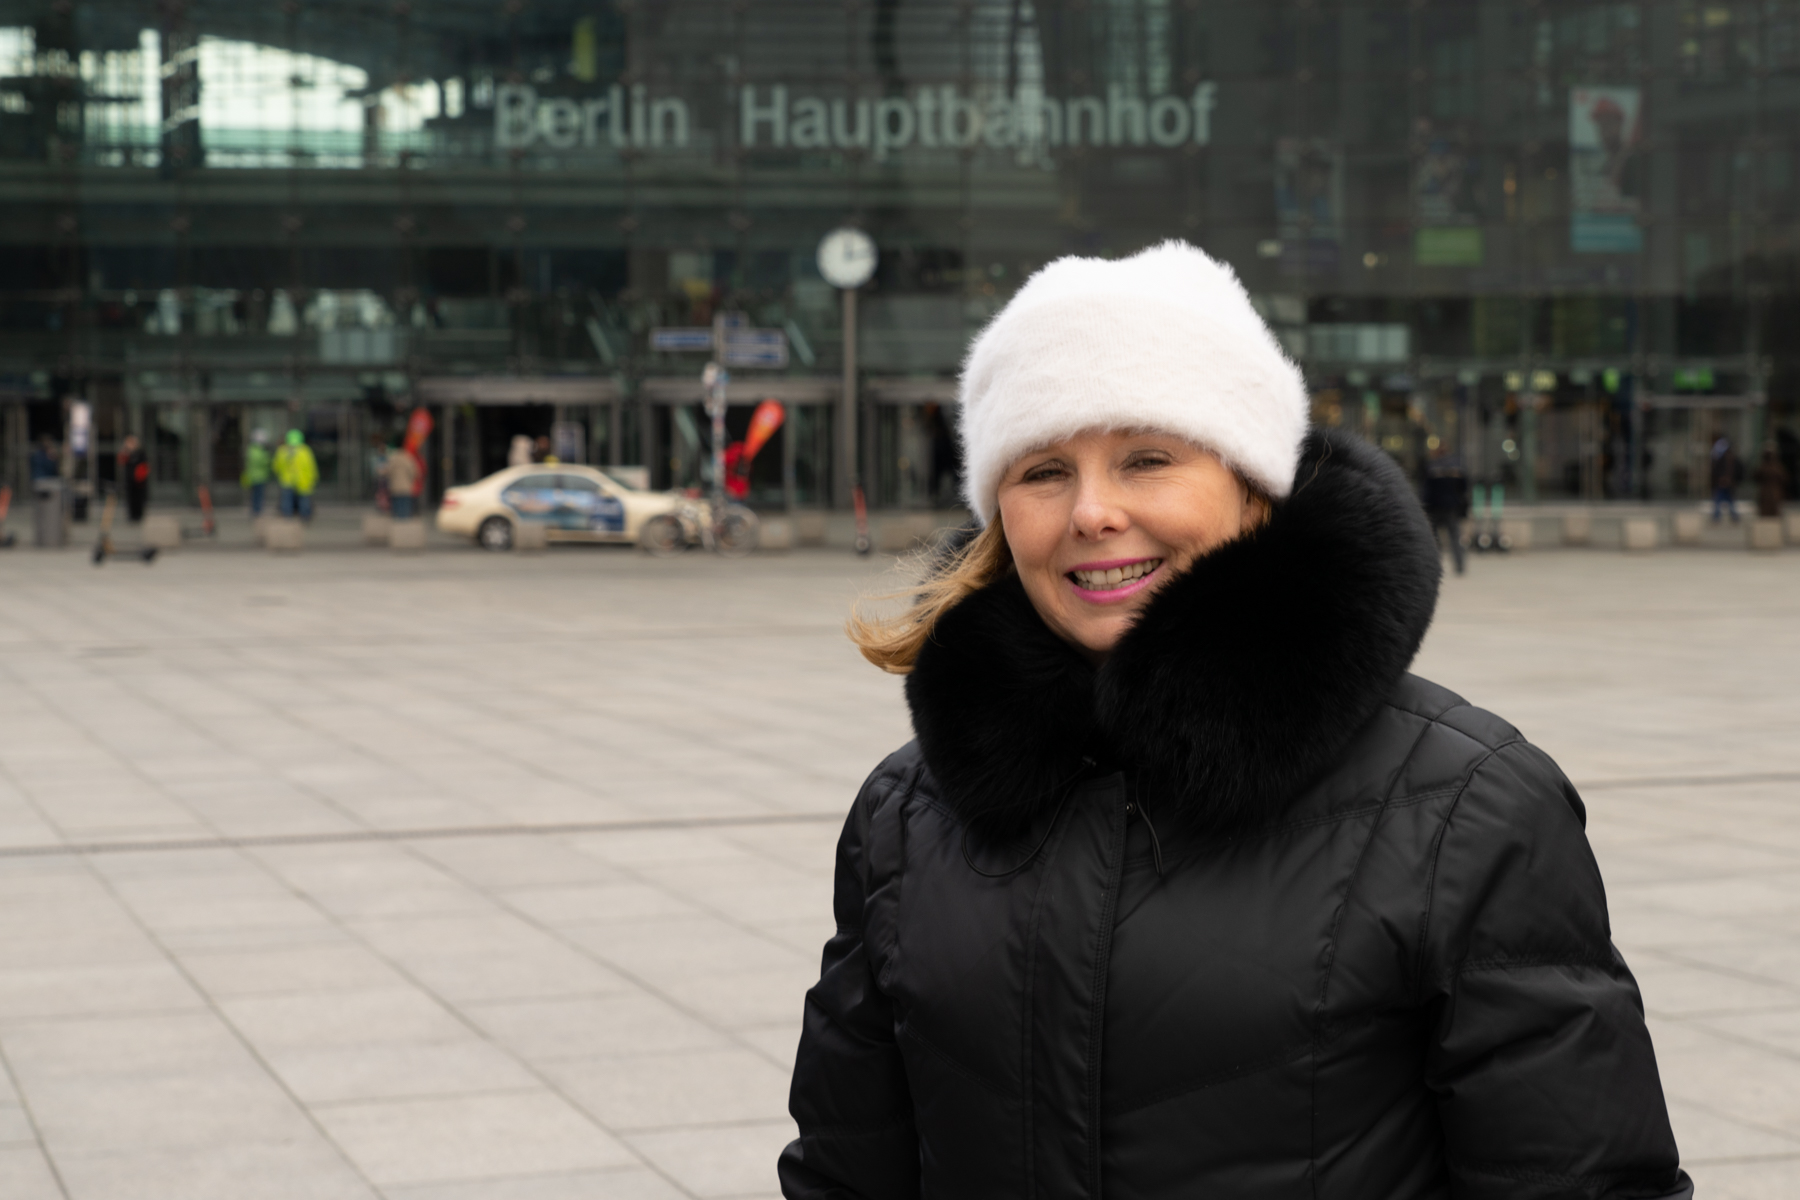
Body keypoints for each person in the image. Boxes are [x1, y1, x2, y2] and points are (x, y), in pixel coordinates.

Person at [784, 242, 1690, 1198]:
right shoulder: (908, 816)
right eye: (1043, 470)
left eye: (1147, 459)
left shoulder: (1467, 811)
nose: (1092, 512)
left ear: (1253, 486)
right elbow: (845, 1175)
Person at [1422, 442, 1469, 575]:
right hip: (1452, 507)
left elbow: (1426, 490)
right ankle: (1459, 565)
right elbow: (1464, 487)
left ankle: (1434, 566)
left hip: (1435, 507)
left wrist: (1425, 506)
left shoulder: (1432, 466)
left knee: (1434, 539)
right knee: (1454, 537)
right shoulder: (1457, 466)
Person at [272, 429, 319, 521]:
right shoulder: (305, 451)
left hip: (287, 480)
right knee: (304, 500)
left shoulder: (282, 450)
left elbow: (276, 466)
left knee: (287, 500)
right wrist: (314, 477)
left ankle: (287, 519)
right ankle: (304, 518)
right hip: (303, 480)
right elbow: (311, 466)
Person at [383, 442, 421, 519]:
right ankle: (404, 522)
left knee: (396, 509)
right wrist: (410, 480)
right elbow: (415, 472)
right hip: (406, 487)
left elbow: (387, 472)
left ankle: (396, 522)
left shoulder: (392, 459)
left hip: (395, 487)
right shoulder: (408, 458)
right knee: (405, 509)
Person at [117, 434, 150, 523]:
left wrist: (141, 476)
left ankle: (138, 515)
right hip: (129, 480)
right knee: (130, 498)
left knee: (139, 498)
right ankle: (131, 515)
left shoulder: (140, 453)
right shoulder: (126, 453)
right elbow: (121, 461)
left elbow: (145, 465)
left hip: (139, 481)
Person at [241, 430, 273, 516]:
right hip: (259, 477)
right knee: (258, 495)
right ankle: (257, 510)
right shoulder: (259, 451)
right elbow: (264, 462)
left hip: (252, 476)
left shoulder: (250, 450)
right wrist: (267, 456)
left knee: (254, 494)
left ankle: (255, 509)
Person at [1711, 434, 1741, 523]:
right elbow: (1716, 471)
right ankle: (1718, 516)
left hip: (1729, 484)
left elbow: (1739, 471)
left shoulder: (1734, 461)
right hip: (1723, 484)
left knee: (1728, 501)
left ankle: (1731, 516)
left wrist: (1734, 480)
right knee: (1721, 500)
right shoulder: (1723, 460)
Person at [1755, 442, 1788, 519]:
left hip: (1772, 491)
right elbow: (1756, 477)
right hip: (1767, 491)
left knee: (1772, 512)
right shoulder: (1765, 466)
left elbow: (1784, 478)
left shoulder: (1776, 466)